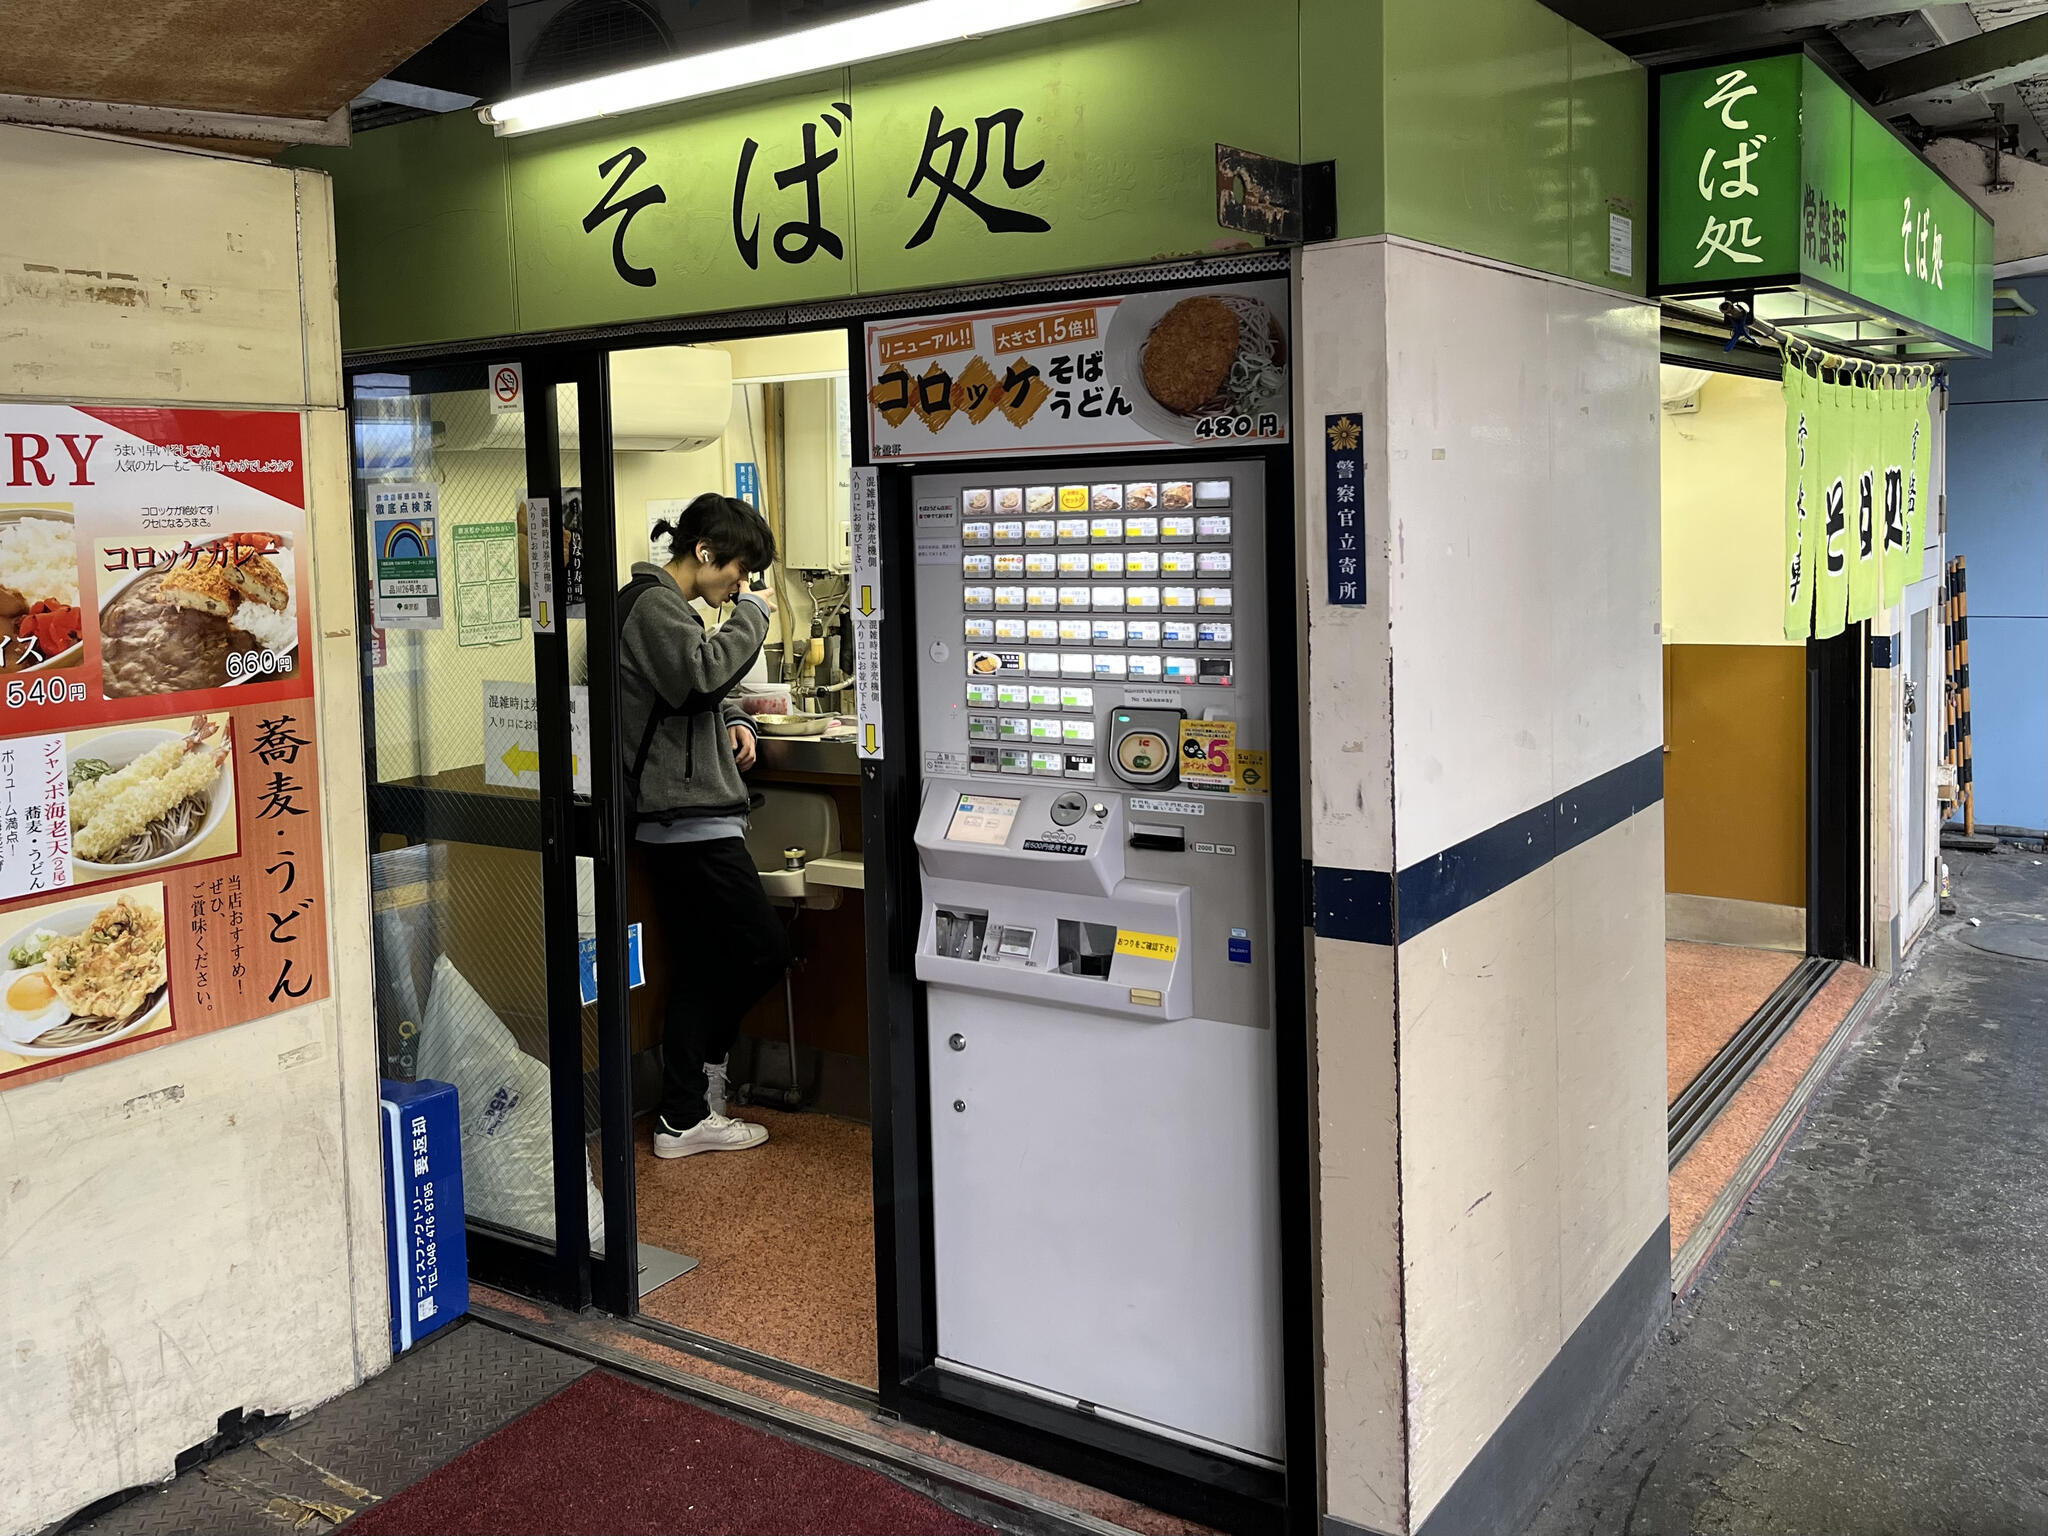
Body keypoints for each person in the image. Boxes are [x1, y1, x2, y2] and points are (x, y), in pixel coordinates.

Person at [619, 493, 788, 1158]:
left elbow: (689, 698)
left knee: (702, 963)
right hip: (687, 818)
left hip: (687, 812)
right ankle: (698, 1085)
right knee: (761, 949)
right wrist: (753, 617)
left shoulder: (664, 607)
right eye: (738, 574)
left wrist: (735, 722)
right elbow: (698, 679)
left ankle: (684, 1111)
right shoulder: (652, 604)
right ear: (705, 553)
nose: (739, 588)